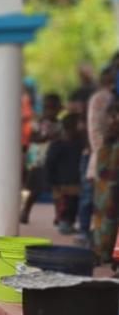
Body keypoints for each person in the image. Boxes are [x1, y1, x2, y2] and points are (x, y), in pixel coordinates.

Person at [21, 97, 59, 226]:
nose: (50, 111)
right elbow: (33, 138)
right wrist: (45, 137)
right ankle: (25, 212)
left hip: (55, 160)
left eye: (53, 108)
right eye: (47, 108)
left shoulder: (59, 125)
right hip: (39, 160)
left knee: (57, 190)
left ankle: (59, 217)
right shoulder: (38, 123)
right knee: (35, 189)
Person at [90, 100, 119, 268]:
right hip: (105, 187)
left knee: (109, 217)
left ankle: (107, 252)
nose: (112, 121)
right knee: (103, 217)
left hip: (113, 187)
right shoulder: (109, 142)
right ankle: (101, 251)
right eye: (111, 116)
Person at [46, 112, 86, 235]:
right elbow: (50, 164)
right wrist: (52, 181)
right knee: (66, 205)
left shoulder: (76, 144)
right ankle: (64, 222)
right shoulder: (63, 144)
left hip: (71, 182)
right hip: (63, 182)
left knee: (70, 204)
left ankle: (66, 222)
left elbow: (49, 163)